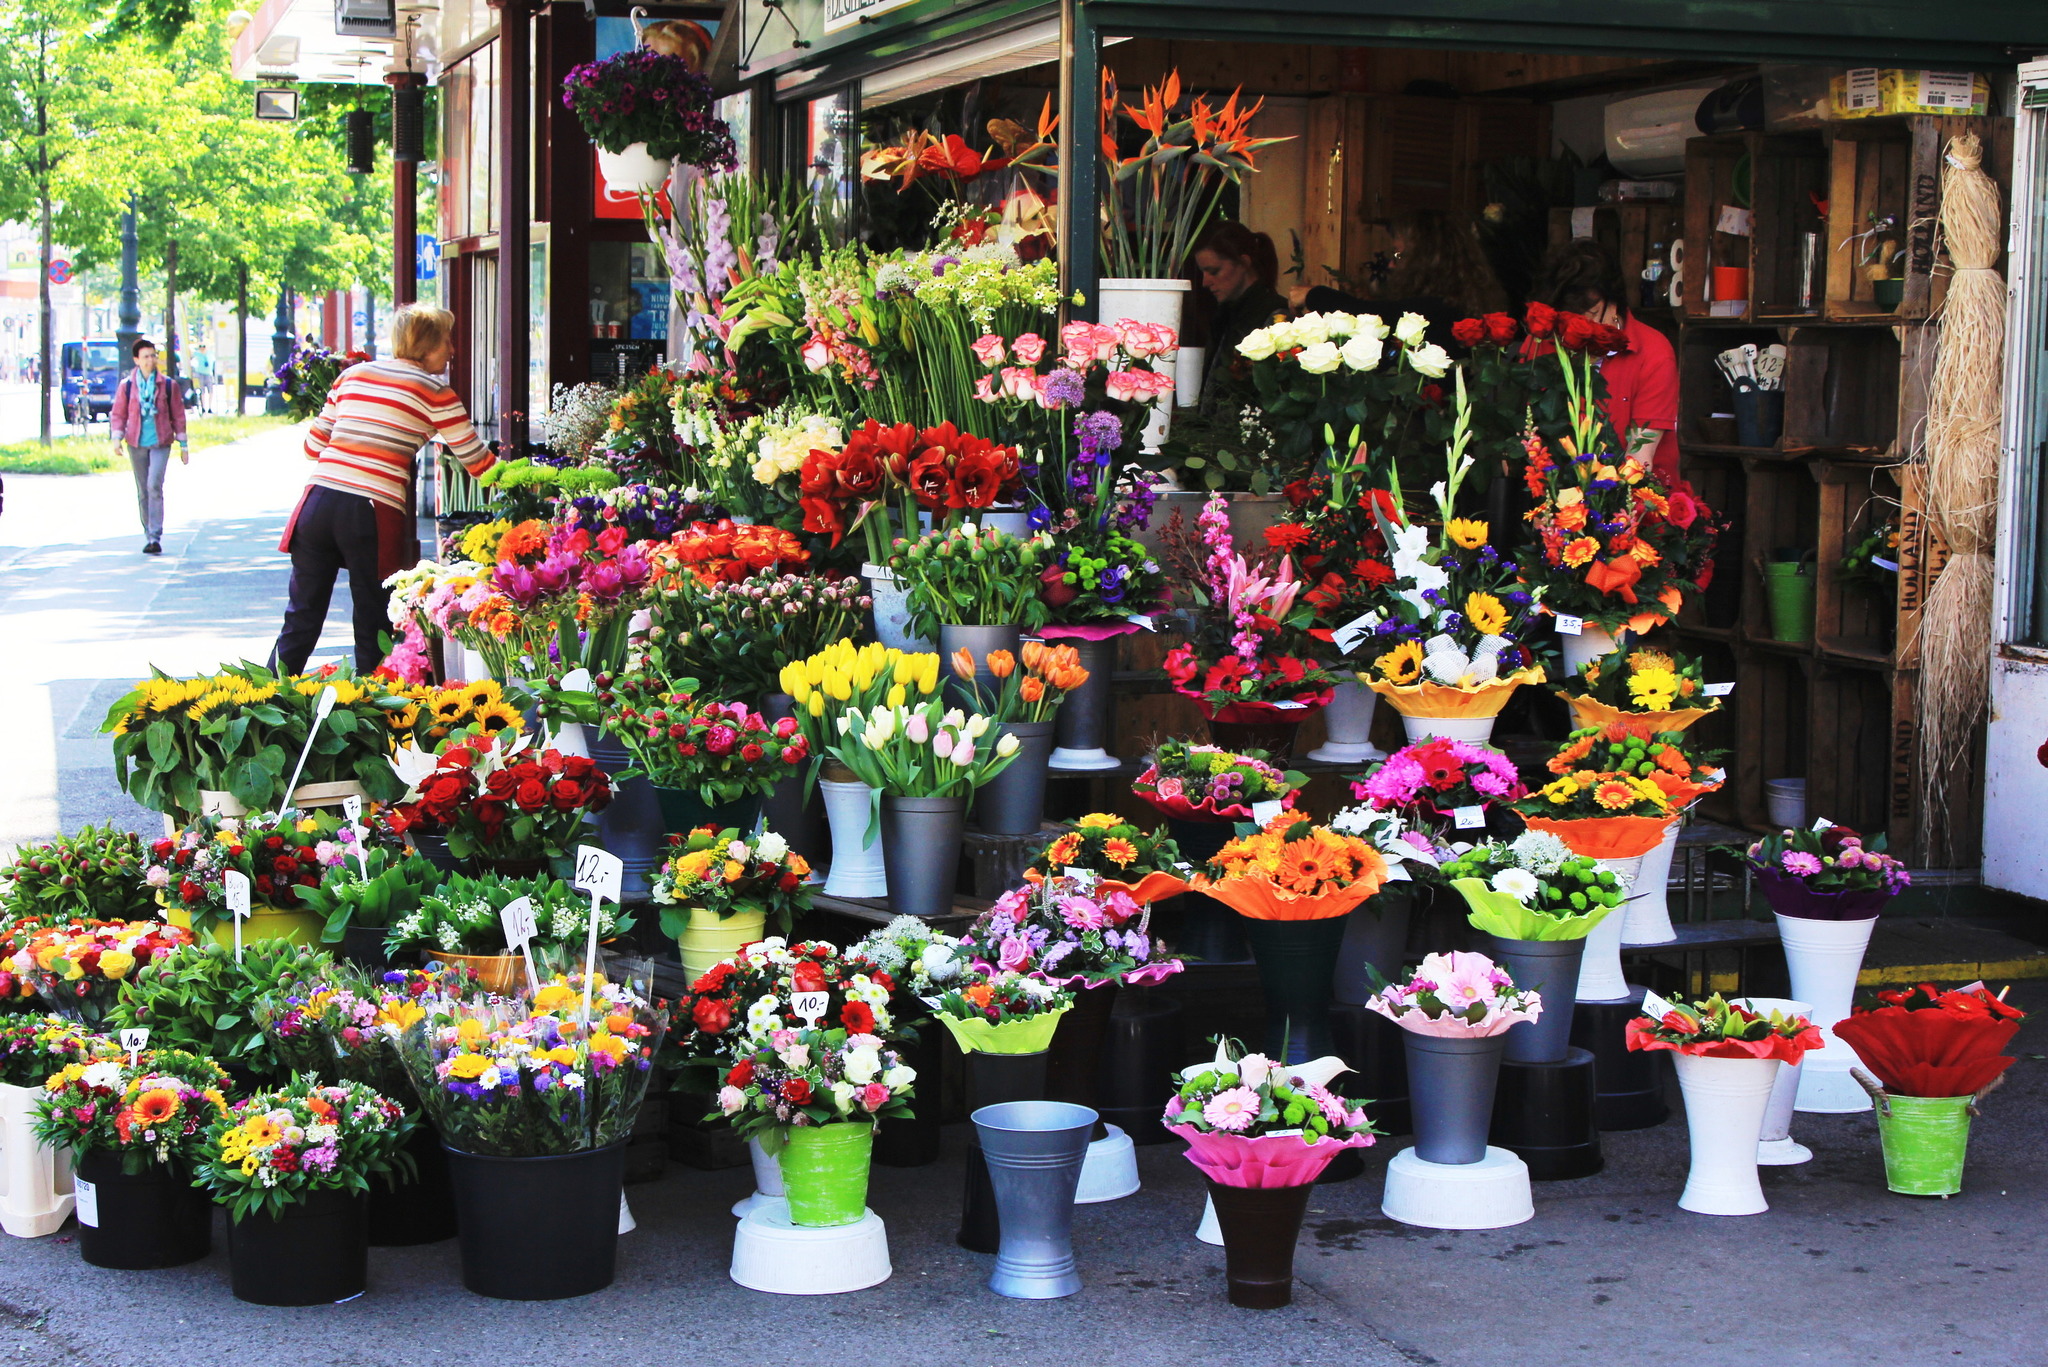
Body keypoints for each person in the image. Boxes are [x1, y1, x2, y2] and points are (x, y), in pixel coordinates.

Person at [270, 305, 495, 676]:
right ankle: (372, 715)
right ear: (425, 346)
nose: (452, 350)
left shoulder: (353, 375)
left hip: (317, 503)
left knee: (301, 618)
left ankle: (263, 703)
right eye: (446, 342)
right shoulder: (435, 392)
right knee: (372, 623)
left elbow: (312, 447)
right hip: (369, 510)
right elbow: (477, 463)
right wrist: (529, 481)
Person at [1535, 237, 1680, 483]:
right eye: (1568, 317)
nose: (1579, 327)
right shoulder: (1542, 345)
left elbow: (1639, 460)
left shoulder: (1653, 352)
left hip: (1635, 503)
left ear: (1615, 303)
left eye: (1590, 314)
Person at [1288, 209, 1507, 349]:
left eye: (1399, 254)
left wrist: (1313, 294)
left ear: (1427, 260)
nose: (1392, 264)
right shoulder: (1456, 300)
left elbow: (1377, 316)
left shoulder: (1440, 307)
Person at [109, 338, 188, 555]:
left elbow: (178, 415)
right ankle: (148, 534)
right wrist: (116, 439)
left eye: (153, 356)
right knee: (143, 490)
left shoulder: (168, 385)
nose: (150, 360)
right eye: (145, 357)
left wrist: (183, 445)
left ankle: (155, 535)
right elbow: (118, 414)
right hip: (136, 442)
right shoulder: (127, 386)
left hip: (161, 441)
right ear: (136, 360)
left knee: (154, 485)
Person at [1190, 222, 1288, 390]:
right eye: (1203, 273)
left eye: (1214, 271)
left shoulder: (1276, 315)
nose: (1205, 282)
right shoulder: (1226, 314)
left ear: (1243, 262)